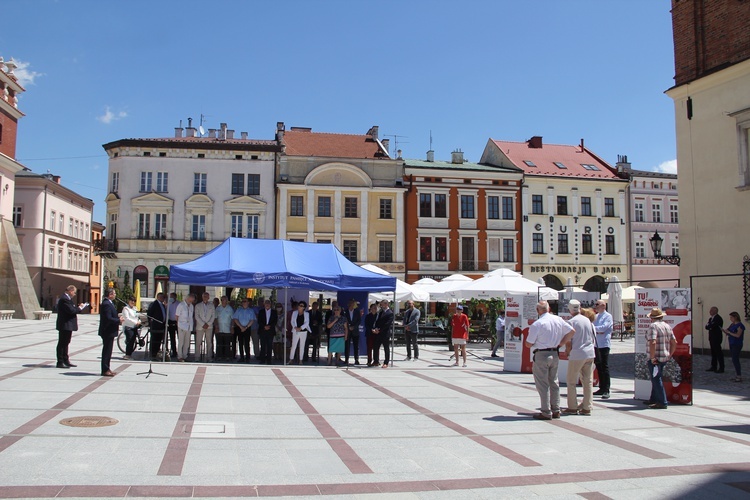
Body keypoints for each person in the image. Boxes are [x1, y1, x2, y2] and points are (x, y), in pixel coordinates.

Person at [525, 300, 575, 420]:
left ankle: (546, 411)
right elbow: (572, 331)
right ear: (548, 308)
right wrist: (561, 343)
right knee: (554, 382)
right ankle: (556, 409)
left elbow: (528, 344)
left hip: (541, 354)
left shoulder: (538, 324)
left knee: (543, 384)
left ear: (538, 310)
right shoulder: (557, 319)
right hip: (554, 352)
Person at [561, 301, 596, 416]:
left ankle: (572, 406)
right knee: (588, 381)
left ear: (570, 310)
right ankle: (587, 406)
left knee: (571, 381)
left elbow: (569, 340)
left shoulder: (571, 322)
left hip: (577, 354)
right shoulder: (587, 320)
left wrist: (567, 351)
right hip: (590, 353)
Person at [644, 308, 677, 409]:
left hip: (656, 357)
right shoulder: (667, 326)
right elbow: (674, 342)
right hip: (664, 356)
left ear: (652, 318)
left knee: (656, 379)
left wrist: (653, 357)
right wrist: (670, 354)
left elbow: (652, 341)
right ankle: (653, 398)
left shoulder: (653, 326)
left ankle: (662, 401)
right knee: (656, 377)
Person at [55, 285, 85, 368]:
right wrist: (80, 308)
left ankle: (66, 360)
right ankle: (60, 361)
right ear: (70, 291)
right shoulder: (64, 299)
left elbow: (72, 309)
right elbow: (71, 311)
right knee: (62, 343)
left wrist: (77, 308)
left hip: (67, 324)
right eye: (74, 292)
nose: (74, 294)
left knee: (66, 343)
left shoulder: (68, 299)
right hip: (65, 324)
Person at [99, 288, 124, 376]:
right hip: (107, 331)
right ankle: (105, 369)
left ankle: (107, 368)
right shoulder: (106, 304)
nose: (115, 295)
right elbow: (108, 318)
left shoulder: (110, 303)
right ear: (110, 294)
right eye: (114, 293)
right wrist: (118, 320)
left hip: (110, 330)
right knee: (107, 351)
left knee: (108, 351)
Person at [593, 299, 613, 399]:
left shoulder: (608, 316)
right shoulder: (596, 316)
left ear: (603, 306)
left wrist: (596, 329)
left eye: (597, 304)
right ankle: (601, 387)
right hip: (596, 344)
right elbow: (595, 328)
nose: (595, 306)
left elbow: (603, 328)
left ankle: (606, 389)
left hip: (604, 344)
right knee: (598, 366)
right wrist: (597, 330)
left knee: (604, 366)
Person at [723, 311, 745, 382]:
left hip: (737, 344)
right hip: (731, 343)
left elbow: (738, 335)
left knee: (735, 359)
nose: (730, 319)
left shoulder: (740, 325)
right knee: (733, 359)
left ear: (735, 317)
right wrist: (725, 331)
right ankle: (737, 375)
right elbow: (728, 332)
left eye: (731, 317)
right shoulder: (732, 325)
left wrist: (729, 332)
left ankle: (739, 375)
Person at [232, 298, 256, 363]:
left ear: (248, 303)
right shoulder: (239, 310)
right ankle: (241, 357)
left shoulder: (251, 310)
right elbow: (235, 319)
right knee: (240, 343)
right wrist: (241, 326)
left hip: (247, 328)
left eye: (245, 301)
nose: (244, 302)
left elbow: (252, 320)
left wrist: (246, 327)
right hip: (239, 328)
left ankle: (247, 357)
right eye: (243, 301)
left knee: (247, 343)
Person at [194, 292, 216, 361]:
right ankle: (197, 357)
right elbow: (196, 316)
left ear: (209, 297)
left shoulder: (212, 305)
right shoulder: (198, 305)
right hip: (200, 326)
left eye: (206, 296)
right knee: (198, 342)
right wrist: (203, 324)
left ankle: (209, 357)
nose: (205, 297)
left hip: (209, 326)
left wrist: (208, 324)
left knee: (209, 342)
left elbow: (213, 316)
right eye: (204, 296)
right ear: (202, 297)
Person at [373, 300, 394, 368]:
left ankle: (386, 362)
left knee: (386, 348)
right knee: (376, 347)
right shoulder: (381, 312)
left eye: (382, 304)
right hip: (378, 333)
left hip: (385, 333)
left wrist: (380, 330)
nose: (381, 306)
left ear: (386, 304)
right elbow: (377, 321)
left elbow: (387, 324)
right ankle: (376, 361)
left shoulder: (390, 313)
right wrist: (376, 328)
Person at [175, 293, 196, 362]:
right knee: (181, 342)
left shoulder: (192, 306)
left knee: (187, 342)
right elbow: (177, 316)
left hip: (189, 326)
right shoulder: (181, 305)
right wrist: (179, 324)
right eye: (192, 299)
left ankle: (185, 356)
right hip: (181, 325)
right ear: (188, 298)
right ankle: (180, 356)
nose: (192, 300)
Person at [147, 293, 167, 361]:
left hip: (161, 325)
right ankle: (153, 354)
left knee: (159, 340)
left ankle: (156, 352)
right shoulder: (154, 304)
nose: (164, 298)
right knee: (154, 340)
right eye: (163, 297)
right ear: (159, 297)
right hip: (155, 325)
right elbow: (149, 314)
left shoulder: (162, 305)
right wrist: (151, 322)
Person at [257, 299, 278, 365]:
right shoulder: (261, 311)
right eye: (266, 303)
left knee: (269, 346)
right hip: (262, 330)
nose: (267, 304)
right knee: (263, 346)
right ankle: (262, 359)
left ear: (271, 304)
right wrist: (264, 326)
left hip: (270, 331)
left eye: (268, 303)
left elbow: (275, 321)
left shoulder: (274, 312)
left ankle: (269, 360)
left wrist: (269, 326)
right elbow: (259, 321)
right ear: (264, 304)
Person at [214, 295, 234, 361]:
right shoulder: (218, 308)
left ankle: (227, 356)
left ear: (227, 301)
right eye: (222, 300)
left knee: (227, 343)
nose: (224, 301)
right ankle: (219, 356)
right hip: (219, 328)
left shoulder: (230, 309)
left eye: (225, 299)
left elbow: (233, 319)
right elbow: (215, 318)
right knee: (219, 343)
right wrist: (216, 326)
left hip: (227, 328)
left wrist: (232, 327)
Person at [705, 306, 724, 373]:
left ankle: (721, 367)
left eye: (711, 310)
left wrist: (710, 327)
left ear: (715, 311)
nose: (710, 312)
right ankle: (714, 366)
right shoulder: (711, 319)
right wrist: (710, 327)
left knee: (718, 353)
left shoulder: (718, 318)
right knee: (713, 353)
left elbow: (713, 326)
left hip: (716, 338)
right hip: (711, 337)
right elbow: (707, 326)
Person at [344, 299, 362, 365]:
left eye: (352, 304)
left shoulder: (357, 312)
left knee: (356, 346)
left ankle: (356, 359)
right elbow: (344, 320)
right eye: (350, 304)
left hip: (355, 331)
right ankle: (346, 359)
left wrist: (354, 327)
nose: (351, 305)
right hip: (347, 331)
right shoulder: (345, 312)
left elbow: (359, 321)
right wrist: (348, 327)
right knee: (347, 345)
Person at [167, 292, 179, 358]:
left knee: (180, 338)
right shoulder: (169, 304)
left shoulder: (179, 304)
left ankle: (180, 351)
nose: (171, 298)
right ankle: (173, 351)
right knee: (172, 338)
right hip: (170, 322)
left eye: (172, 297)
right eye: (170, 297)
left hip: (177, 322)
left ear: (175, 297)